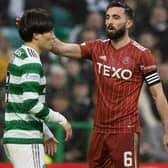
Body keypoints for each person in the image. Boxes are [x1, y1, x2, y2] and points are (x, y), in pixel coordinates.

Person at [51, 1, 168, 168]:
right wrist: (39, 30)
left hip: (125, 131)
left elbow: (158, 94)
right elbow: (61, 48)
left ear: (129, 23)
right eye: (107, 17)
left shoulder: (142, 55)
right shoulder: (97, 47)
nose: (109, 22)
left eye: (116, 17)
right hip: (98, 130)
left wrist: (167, 130)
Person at [3, 8, 72, 168]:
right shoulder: (31, 61)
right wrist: (60, 119)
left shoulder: (20, 54)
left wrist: (45, 131)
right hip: (25, 138)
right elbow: (30, 104)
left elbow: (21, 102)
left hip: (17, 135)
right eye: (50, 31)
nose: (54, 37)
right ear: (36, 35)